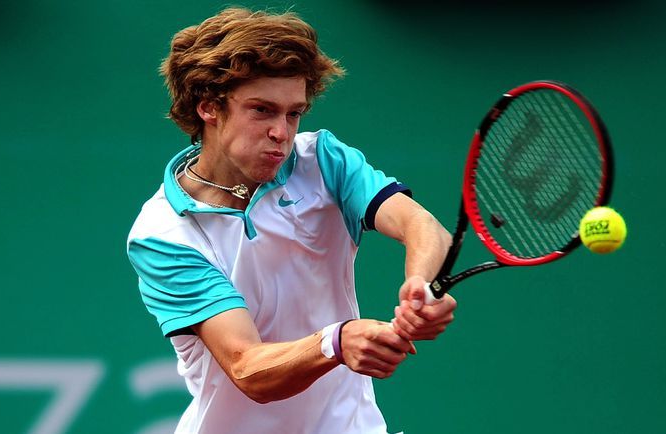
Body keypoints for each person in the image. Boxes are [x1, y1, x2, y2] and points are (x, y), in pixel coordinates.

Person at [126, 7, 457, 434]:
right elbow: (248, 368)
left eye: (293, 113)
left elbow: (422, 226)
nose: (281, 133)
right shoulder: (164, 234)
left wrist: (420, 287)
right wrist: (336, 341)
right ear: (208, 107)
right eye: (262, 110)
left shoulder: (322, 160)